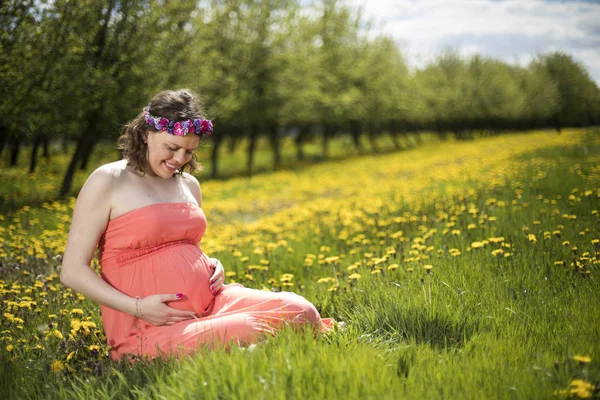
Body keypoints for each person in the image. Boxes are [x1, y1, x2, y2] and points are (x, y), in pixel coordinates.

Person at [60, 89, 334, 360]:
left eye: (188, 151)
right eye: (172, 148)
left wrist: (210, 263)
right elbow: (72, 271)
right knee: (249, 329)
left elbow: (185, 246)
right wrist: (138, 307)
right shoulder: (109, 180)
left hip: (212, 302)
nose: (180, 159)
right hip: (148, 326)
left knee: (302, 310)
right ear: (146, 134)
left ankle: (254, 343)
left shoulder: (189, 184)